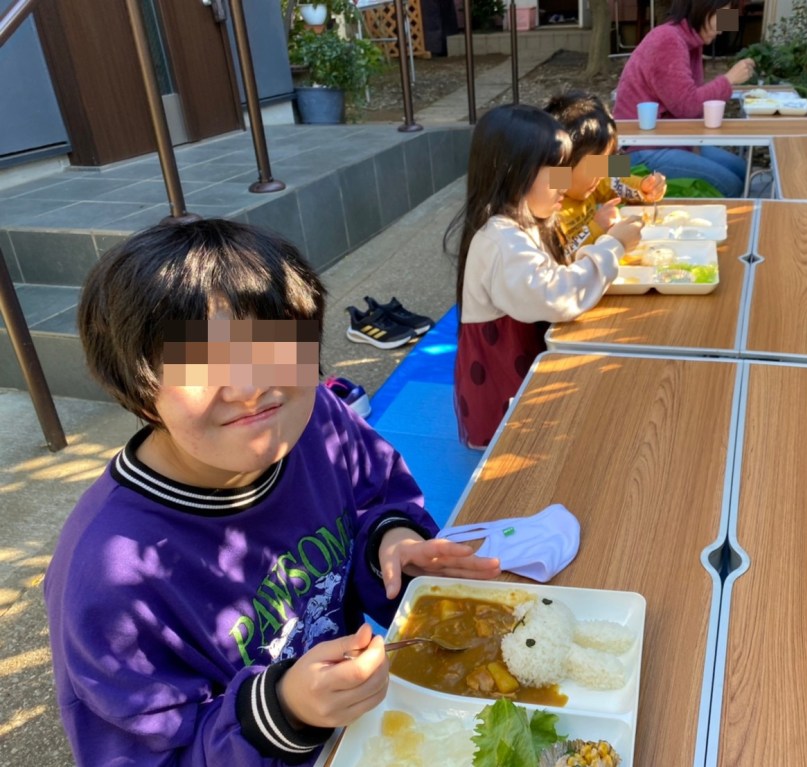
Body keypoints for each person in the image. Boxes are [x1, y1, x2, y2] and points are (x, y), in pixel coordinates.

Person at [44, 219, 501, 766]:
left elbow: (377, 496)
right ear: (141, 391)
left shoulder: (318, 419)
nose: (251, 388)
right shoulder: (109, 581)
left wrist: (393, 541)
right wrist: (281, 710)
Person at [445, 104, 643, 448]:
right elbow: (557, 295)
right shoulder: (502, 240)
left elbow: (616, 175)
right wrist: (613, 246)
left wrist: (641, 186)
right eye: (558, 171)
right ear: (515, 173)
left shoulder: (524, 221)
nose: (565, 183)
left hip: (521, 372)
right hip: (504, 399)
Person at [612, 0, 757, 197]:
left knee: (742, 170)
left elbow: (689, 104)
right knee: (731, 185)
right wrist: (729, 80)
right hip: (635, 149)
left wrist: (693, 145)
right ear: (702, 8)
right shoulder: (668, 40)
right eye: (722, 16)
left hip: (670, 139)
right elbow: (687, 106)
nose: (723, 29)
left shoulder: (690, 43)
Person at [544, 90, 668, 258]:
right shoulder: (546, 204)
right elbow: (561, 260)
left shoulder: (585, 178)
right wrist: (598, 228)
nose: (601, 173)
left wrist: (645, 186)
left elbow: (614, 177)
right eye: (595, 165)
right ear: (563, 160)